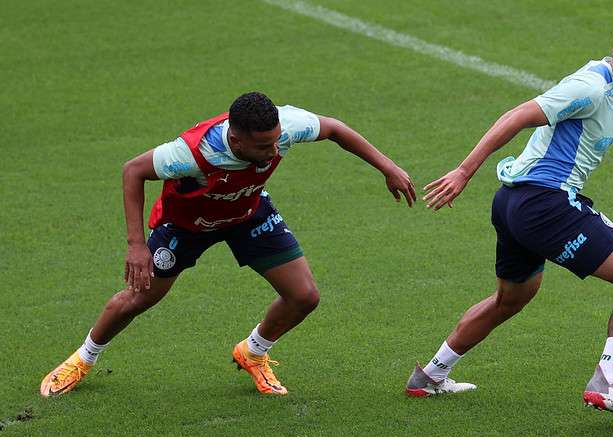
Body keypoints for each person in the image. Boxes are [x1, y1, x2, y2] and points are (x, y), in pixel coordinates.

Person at [404, 15, 613, 420]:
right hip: (545, 203)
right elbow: (516, 116)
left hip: (514, 204)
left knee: (511, 298)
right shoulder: (590, 87)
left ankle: (429, 375)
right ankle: (606, 380)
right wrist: (463, 171)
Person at [41, 91, 416, 397]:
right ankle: (83, 359)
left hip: (247, 213)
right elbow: (133, 170)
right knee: (141, 297)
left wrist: (388, 167)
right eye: (263, 146)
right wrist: (136, 244)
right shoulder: (192, 152)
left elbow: (335, 129)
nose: (274, 151)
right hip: (186, 225)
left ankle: (253, 353)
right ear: (235, 139)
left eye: (276, 141)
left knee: (304, 297)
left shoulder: (285, 128)